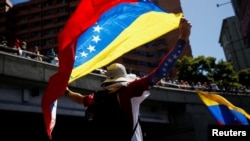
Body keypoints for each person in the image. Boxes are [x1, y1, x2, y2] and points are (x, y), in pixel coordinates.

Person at [65, 17, 191, 141]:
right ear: (124, 78)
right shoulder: (130, 91)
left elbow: (80, 99)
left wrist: (66, 91)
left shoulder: (97, 98)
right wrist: (183, 39)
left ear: (108, 80)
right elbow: (160, 71)